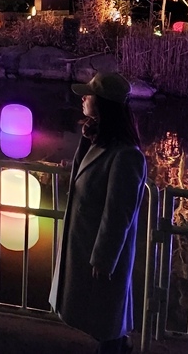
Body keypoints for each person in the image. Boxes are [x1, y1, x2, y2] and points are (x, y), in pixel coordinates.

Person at [49, 72, 146, 354]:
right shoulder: (98, 140)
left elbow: (119, 213)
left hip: (100, 253)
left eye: (89, 95)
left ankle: (118, 348)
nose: (83, 98)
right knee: (102, 316)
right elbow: (82, 177)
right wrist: (85, 140)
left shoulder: (126, 155)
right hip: (84, 242)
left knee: (107, 317)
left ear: (103, 104)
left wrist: (104, 258)